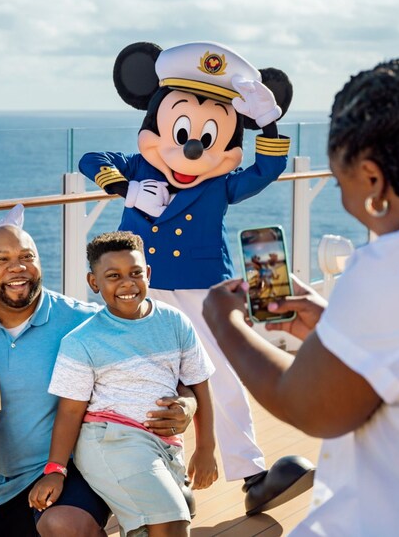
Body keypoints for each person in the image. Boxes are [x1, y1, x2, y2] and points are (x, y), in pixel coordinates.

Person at [202, 58, 399, 535]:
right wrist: (336, 323)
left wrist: (223, 321)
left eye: (341, 181)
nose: (342, 200)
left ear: (373, 180)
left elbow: (309, 407)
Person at [78, 41, 313, 514]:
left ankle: (251, 473)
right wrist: (126, 189)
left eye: (209, 136)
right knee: (144, 378)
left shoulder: (220, 183)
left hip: (204, 288)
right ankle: (161, 476)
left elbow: (268, 167)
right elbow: (90, 158)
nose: (191, 145)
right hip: (140, 286)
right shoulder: (141, 166)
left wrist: (267, 122)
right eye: (181, 128)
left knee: (221, 375)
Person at [0, 224, 198, 537]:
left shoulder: (84, 321)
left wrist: (188, 403)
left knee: (64, 526)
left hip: (69, 471)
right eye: (1, 259)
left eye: (27, 256)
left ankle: (164, 492)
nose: (17, 267)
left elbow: (161, 366)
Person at [29, 232, 218, 537]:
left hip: (165, 447)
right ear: (94, 283)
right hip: (111, 441)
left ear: (149, 274)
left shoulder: (175, 322)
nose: (127, 284)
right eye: (113, 276)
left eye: (135, 273)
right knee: (171, 523)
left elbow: (199, 385)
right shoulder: (82, 341)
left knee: (153, 528)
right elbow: (69, 413)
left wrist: (207, 447)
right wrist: (56, 470)